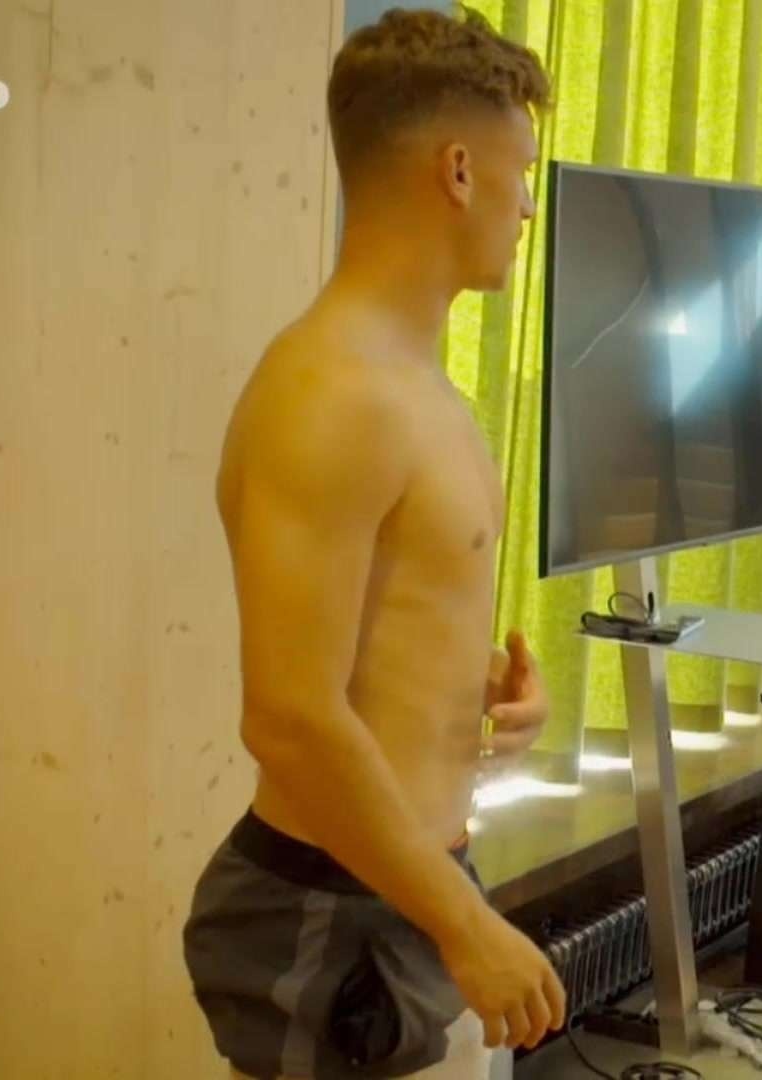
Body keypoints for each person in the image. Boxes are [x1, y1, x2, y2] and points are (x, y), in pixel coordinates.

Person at [182, 9, 565, 1079]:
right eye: (522, 172)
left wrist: (475, 692)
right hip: (328, 908)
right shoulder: (333, 393)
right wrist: (470, 926)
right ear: (459, 170)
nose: (527, 205)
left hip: (403, 890)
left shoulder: (418, 387)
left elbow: (371, 651)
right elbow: (289, 716)